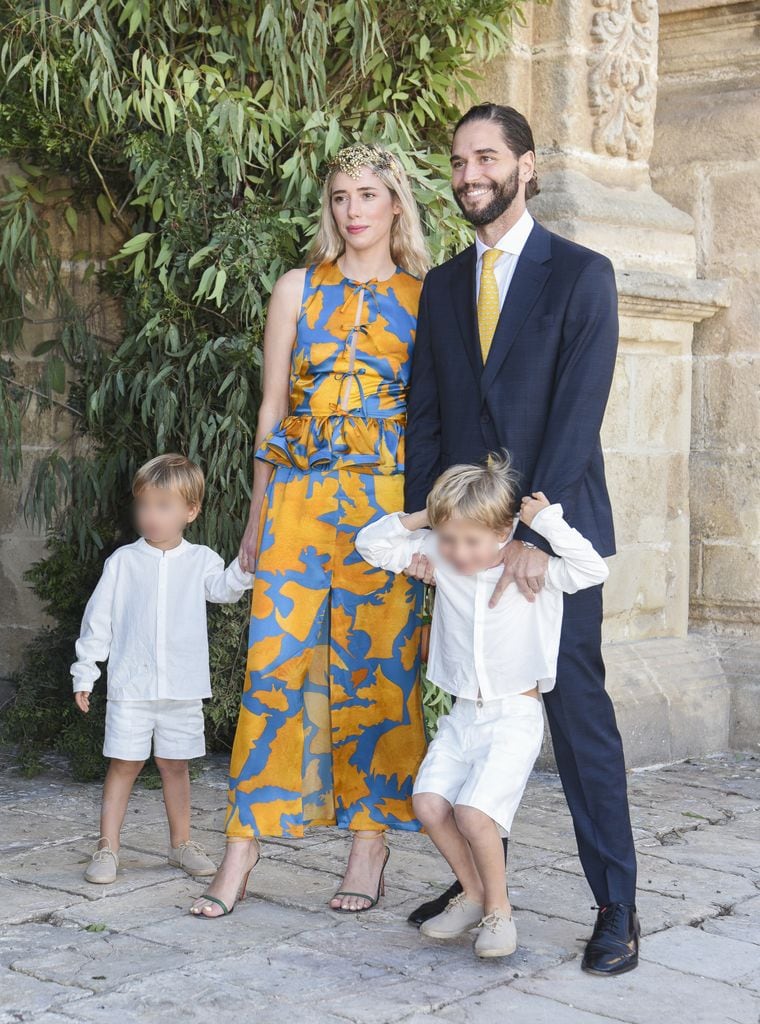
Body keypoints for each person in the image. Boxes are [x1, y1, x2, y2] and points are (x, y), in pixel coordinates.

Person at [403, 103, 640, 975]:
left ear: (526, 166)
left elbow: (578, 413)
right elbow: (425, 415)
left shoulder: (582, 274)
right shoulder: (440, 287)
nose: (470, 173)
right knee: (467, 709)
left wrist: (538, 532)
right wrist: (429, 528)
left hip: (553, 540)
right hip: (464, 546)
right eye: (459, 160)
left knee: (578, 721)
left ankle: (617, 906)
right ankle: (473, 884)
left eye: (487, 157)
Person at [190, 142, 429, 918]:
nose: (352, 210)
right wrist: (256, 517)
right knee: (276, 666)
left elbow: (437, 421)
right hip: (297, 499)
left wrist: (427, 527)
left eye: (367, 194)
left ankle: (369, 845)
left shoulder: (431, 298)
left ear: (396, 203)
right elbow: (271, 411)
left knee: (379, 674)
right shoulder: (297, 288)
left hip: (384, 510)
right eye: (339, 196)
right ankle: (242, 849)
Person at [356, 456, 609, 958]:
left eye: (471, 542)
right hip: (461, 716)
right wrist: (425, 520)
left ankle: (499, 912)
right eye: (449, 539)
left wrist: (545, 524)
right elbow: (371, 543)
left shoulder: (530, 572)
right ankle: (470, 894)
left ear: (503, 532)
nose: (458, 552)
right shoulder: (443, 554)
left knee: (474, 813)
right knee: (428, 804)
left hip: (512, 717)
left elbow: (592, 568)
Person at [72, 454, 253, 885]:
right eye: (144, 505)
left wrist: (246, 565)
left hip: (182, 688)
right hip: (131, 688)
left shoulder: (202, 559)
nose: (150, 516)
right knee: (124, 763)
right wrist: (86, 672)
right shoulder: (123, 562)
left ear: (190, 511)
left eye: (163, 506)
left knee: (176, 765)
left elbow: (224, 590)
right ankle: (107, 846)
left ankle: (181, 844)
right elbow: (98, 621)